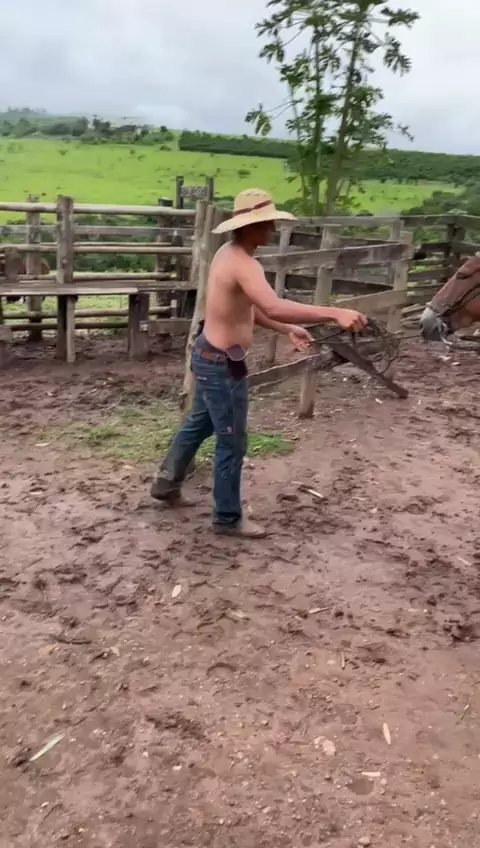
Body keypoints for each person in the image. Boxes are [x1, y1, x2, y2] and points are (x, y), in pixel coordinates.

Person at [150, 188, 367, 538]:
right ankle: (227, 518)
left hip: (209, 355)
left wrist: (286, 329)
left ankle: (166, 483)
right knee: (232, 442)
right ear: (250, 226)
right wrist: (334, 312)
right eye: (267, 223)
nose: (272, 229)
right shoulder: (243, 263)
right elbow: (273, 305)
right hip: (221, 365)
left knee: (200, 424)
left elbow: (247, 309)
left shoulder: (229, 255)